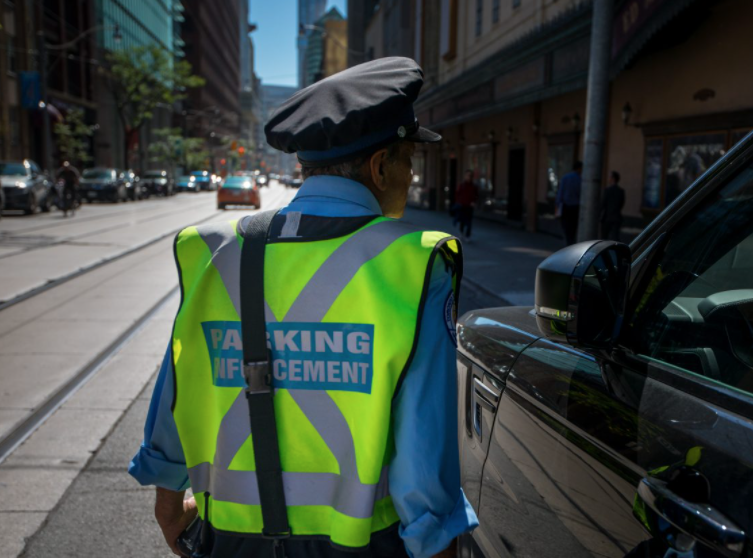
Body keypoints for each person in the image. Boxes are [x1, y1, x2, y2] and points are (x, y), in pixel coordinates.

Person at [129, 57, 478, 558]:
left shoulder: (212, 251)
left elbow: (178, 389)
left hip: (229, 541)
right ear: (380, 167)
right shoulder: (416, 263)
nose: (409, 176)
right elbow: (426, 453)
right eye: (407, 160)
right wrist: (437, 544)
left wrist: (168, 505)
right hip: (364, 546)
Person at [556, 160, 582, 245]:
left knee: (566, 227)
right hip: (575, 207)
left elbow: (560, 193)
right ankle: (571, 242)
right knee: (573, 228)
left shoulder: (565, 178)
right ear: (579, 169)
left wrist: (557, 206)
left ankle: (568, 242)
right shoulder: (580, 179)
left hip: (565, 206)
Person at [600, 171, 625, 241]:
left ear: (613, 179)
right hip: (617, 217)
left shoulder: (607, 190)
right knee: (615, 237)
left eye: (610, 177)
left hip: (607, 217)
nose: (608, 179)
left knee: (604, 238)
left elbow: (603, 204)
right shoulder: (621, 191)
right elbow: (621, 204)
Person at [454, 170, 478, 240]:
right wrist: (459, 202)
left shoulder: (474, 186)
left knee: (469, 222)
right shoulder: (462, 185)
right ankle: (461, 232)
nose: (469, 177)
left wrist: (474, 202)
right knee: (462, 220)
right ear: (465, 176)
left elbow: (476, 195)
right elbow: (457, 194)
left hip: (470, 206)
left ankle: (468, 235)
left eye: (470, 176)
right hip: (462, 206)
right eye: (467, 175)